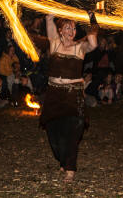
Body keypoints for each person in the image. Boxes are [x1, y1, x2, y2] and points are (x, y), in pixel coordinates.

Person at [38, 9, 97, 182]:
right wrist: (62, 4)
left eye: (74, 29)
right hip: (54, 96)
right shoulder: (54, 44)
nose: (72, 32)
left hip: (74, 96)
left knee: (73, 131)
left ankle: (70, 169)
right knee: (54, 135)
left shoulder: (80, 47)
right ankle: (63, 160)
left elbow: (93, 43)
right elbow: (49, 17)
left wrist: (91, 19)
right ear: (61, 30)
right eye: (68, 28)